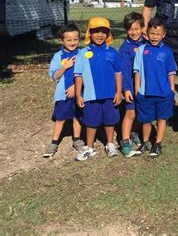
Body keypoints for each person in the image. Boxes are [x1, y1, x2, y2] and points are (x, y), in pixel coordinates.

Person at [74, 17, 122, 161]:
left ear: (108, 34)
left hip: (109, 95)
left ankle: (110, 144)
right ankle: (89, 147)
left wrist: (118, 92)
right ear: (89, 33)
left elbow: (118, 73)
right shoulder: (83, 53)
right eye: (96, 31)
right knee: (91, 121)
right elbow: (78, 75)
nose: (99, 35)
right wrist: (78, 95)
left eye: (103, 32)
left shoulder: (113, 52)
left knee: (110, 120)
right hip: (90, 96)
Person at [133, 18, 177, 158]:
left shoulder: (167, 51)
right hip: (145, 93)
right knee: (146, 119)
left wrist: (172, 89)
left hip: (163, 92)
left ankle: (157, 143)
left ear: (163, 35)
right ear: (147, 33)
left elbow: (171, 72)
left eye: (158, 34)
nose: (155, 37)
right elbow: (137, 71)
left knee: (161, 119)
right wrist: (137, 89)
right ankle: (145, 142)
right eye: (152, 33)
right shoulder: (141, 50)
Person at [43, 24, 85, 157]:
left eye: (75, 39)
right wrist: (65, 67)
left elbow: (86, 74)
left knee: (77, 116)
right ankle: (54, 142)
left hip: (80, 93)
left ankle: (77, 140)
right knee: (60, 118)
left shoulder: (83, 54)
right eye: (69, 40)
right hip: (63, 95)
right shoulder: (57, 56)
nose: (73, 43)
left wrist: (75, 87)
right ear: (62, 41)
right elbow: (54, 76)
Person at [118, 12, 145, 157]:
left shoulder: (147, 43)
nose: (133, 32)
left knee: (141, 113)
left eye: (136, 28)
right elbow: (124, 72)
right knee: (130, 113)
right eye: (130, 29)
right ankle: (125, 142)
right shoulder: (125, 49)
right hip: (131, 87)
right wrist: (126, 89)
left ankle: (135, 132)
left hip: (145, 88)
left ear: (142, 28)